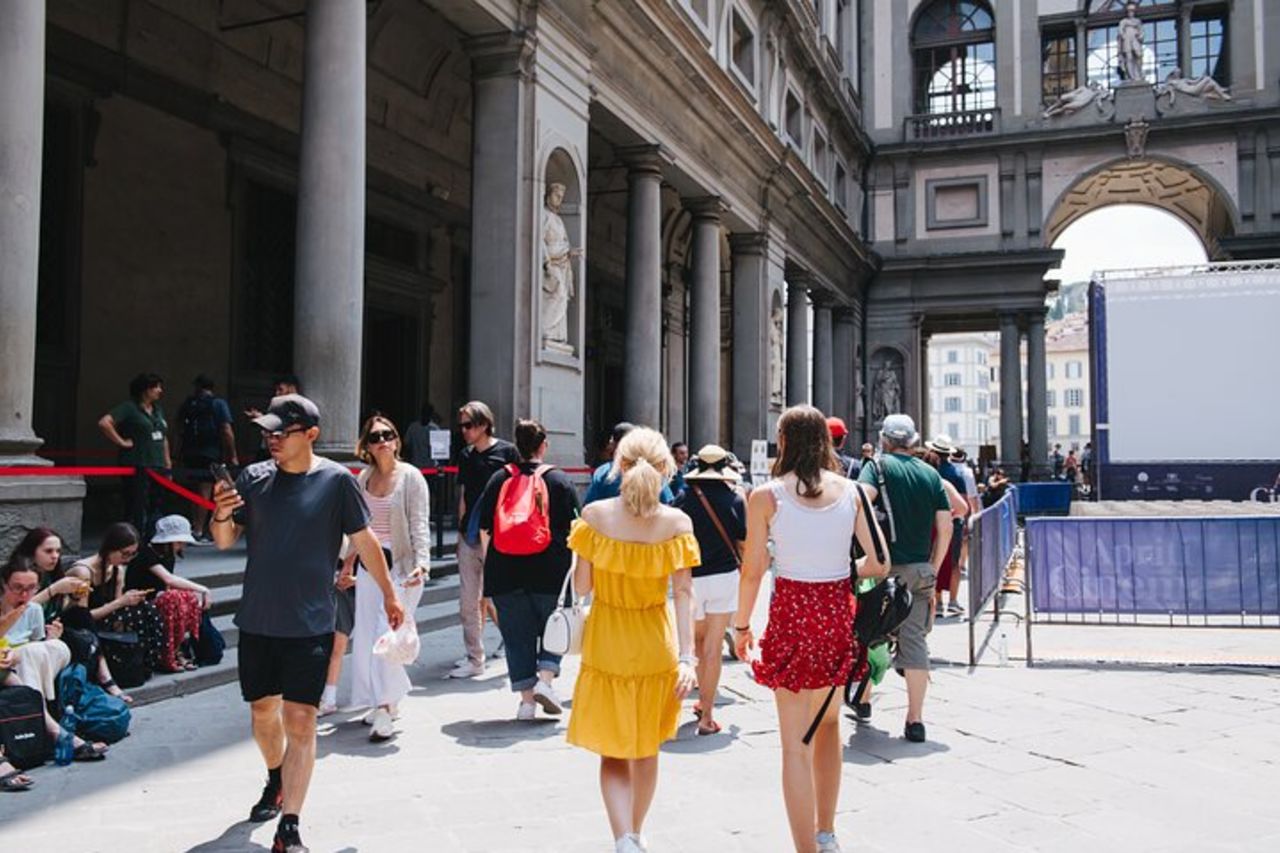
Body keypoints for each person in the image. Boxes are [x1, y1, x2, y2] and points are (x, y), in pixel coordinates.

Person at [211, 393, 405, 853]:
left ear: (311, 435)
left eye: (282, 432)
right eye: (268, 433)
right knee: (263, 714)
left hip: (312, 622)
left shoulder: (337, 482)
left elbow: (365, 540)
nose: (272, 440)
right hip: (258, 620)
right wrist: (220, 510)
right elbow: (222, 541)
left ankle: (290, 827)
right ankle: (275, 775)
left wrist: (392, 594)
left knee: (301, 722)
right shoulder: (254, 478)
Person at [734, 406, 887, 853]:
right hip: (836, 611)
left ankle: (805, 848)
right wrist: (841, 572)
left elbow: (753, 570)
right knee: (829, 727)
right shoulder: (854, 492)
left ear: (783, 442)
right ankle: (827, 833)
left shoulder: (765, 496)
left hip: (791, 614)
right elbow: (879, 562)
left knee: (793, 745)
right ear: (825, 441)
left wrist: (742, 626)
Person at [566, 427, 699, 853]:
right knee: (646, 749)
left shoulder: (595, 517)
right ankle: (636, 834)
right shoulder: (678, 522)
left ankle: (623, 837)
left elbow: (583, 588)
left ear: (618, 466)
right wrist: (687, 658)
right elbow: (684, 595)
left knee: (613, 751)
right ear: (666, 469)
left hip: (608, 641)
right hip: (654, 642)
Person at [476, 418, 581, 720]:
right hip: (551, 572)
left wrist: (491, 563)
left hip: (506, 571)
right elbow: (577, 528)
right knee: (555, 626)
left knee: (516, 636)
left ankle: (526, 703)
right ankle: (546, 681)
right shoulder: (559, 480)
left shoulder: (498, 479)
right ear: (543, 445)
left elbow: (485, 529)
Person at [858, 414, 953, 743]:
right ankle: (915, 720)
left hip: (883, 571)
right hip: (920, 570)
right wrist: (934, 567)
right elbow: (946, 525)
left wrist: (873, 549)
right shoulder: (930, 473)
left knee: (872, 634)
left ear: (884, 439)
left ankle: (865, 700)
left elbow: (861, 499)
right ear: (914, 441)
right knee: (915, 641)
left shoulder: (877, 466)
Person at [345, 415, 430, 741]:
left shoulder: (411, 478)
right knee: (368, 635)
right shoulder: (363, 477)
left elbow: (420, 524)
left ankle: (384, 707)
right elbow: (358, 530)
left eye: (388, 434)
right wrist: (347, 563)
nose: (382, 440)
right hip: (369, 568)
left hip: (402, 568)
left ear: (396, 440)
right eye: (375, 436)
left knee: (388, 634)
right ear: (366, 445)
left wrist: (422, 564)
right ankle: (383, 700)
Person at [1, 560, 109, 762]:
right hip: (17, 662)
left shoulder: (33, 609)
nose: (24, 595)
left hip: (26, 659)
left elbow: (34, 642)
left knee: (49, 648)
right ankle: (56, 732)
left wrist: (49, 640)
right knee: (30, 654)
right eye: (17, 588)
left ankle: (48, 728)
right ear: (4, 585)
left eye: (31, 588)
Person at [673, 444, 745, 737]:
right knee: (714, 648)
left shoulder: (682, 499)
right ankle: (707, 713)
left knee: (698, 646)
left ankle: (701, 702)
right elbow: (744, 544)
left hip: (691, 579)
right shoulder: (736, 500)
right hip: (724, 577)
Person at [452, 401, 520, 679]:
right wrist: (460, 528)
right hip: (469, 536)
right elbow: (465, 494)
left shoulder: (507, 452)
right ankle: (474, 657)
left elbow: (517, 493)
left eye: (469, 425)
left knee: (496, 599)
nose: (464, 431)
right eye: (462, 426)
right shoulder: (466, 455)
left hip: (497, 535)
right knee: (468, 601)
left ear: (484, 425)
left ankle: (518, 647)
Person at [68, 523, 160, 691]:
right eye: (125, 554)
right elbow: (81, 616)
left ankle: (143, 662)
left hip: (104, 619)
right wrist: (120, 602)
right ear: (110, 548)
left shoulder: (117, 570)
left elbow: (117, 611)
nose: (128, 559)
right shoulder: (83, 572)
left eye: (132, 555)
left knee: (146, 609)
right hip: (80, 624)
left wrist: (127, 602)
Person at [127, 515, 213, 671]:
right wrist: (202, 589)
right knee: (174, 599)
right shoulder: (147, 553)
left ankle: (176, 650)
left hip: (157, 599)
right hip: (137, 602)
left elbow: (167, 586)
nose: (182, 546)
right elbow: (168, 579)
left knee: (185, 599)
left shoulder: (168, 556)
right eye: (179, 542)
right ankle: (169, 655)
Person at [98, 372, 171, 537]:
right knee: (137, 505)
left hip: (157, 465)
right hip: (138, 463)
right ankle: (135, 539)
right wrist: (121, 442)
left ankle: (153, 537)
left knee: (157, 505)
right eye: (156, 387)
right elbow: (105, 423)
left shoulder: (158, 410)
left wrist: (167, 462)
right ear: (145, 390)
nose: (160, 390)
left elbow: (163, 436)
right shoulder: (129, 408)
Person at [175, 374, 238, 542]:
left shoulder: (189, 403)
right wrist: (232, 455)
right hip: (211, 452)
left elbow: (179, 428)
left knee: (194, 490)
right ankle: (199, 530)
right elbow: (226, 429)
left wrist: (178, 452)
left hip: (190, 452)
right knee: (206, 490)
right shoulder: (218, 404)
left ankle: (196, 526)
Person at [922, 439, 972, 619]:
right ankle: (953, 600)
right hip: (952, 525)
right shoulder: (956, 474)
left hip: (928, 526)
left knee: (935, 561)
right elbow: (964, 504)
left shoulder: (924, 477)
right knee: (953, 564)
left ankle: (937, 601)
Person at [584, 422, 675, 506]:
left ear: (612, 442)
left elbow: (589, 505)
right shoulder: (654, 471)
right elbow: (668, 503)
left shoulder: (603, 472)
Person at [7, 527, 83, 622]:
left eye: (58, 551)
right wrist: (54, 589)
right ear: (32, 551)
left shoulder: (51, 575)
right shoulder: (17, 576)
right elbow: (16, 612)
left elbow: (58, 613)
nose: (55, 556)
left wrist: (75, 597)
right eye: (48, 551)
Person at [400, 402, 442, 471]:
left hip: (427, 466)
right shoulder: (435, 428)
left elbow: (406, 445)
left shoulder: (413, 427)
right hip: (422, 466)